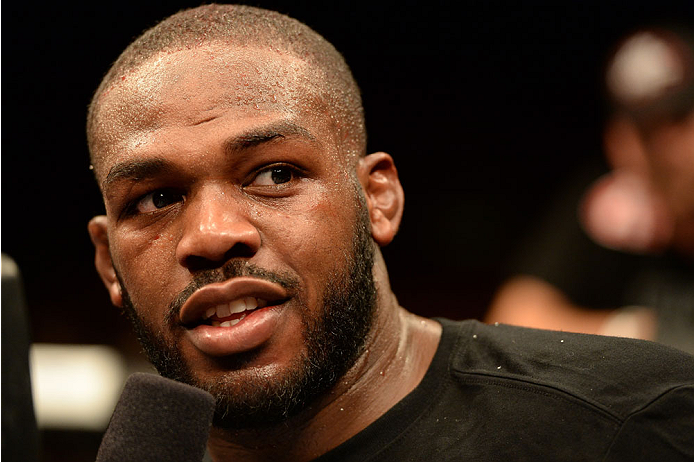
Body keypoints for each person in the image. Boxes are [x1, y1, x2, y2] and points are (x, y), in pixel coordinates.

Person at [86, 5, 694, 461]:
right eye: (157, 199)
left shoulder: (631, 426)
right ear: (110, 264)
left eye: (275, 174)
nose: (213, 235)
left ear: (379, 198)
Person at [485, 26, 694, 354]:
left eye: (679, 121)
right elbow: (509, 321)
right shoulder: (611, 212)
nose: (664, 152)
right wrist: (643, 333)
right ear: (617, 144)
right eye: (645, 131)